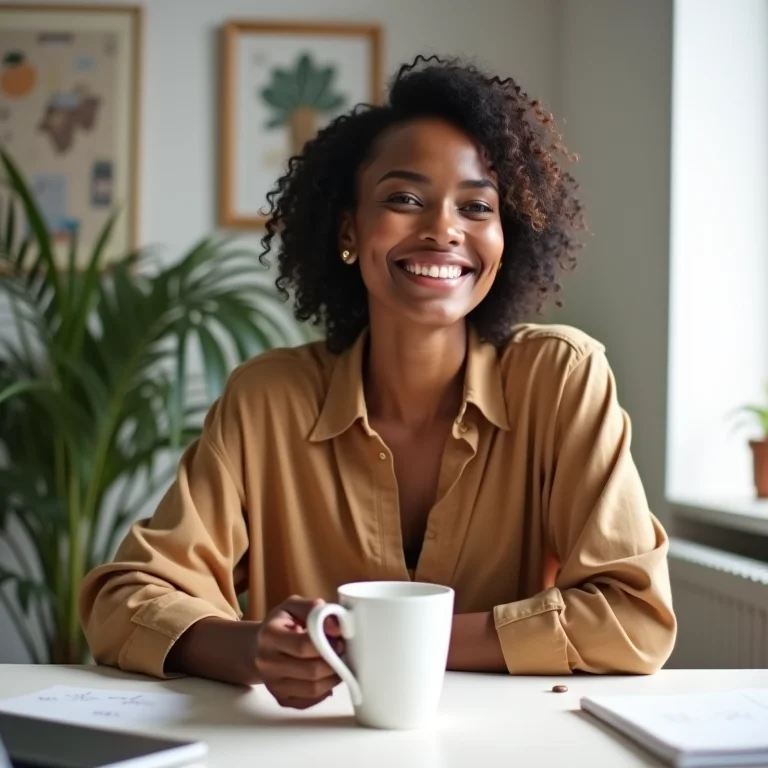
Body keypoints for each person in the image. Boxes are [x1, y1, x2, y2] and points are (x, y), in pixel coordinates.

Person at [79, 55, 677, 711]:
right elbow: (124, 597)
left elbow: (632, 617)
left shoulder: (560, 378)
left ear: (507, 239)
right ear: (348, 229)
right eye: (404, 199)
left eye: (476, 206)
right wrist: (253, 649)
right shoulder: (268, 400)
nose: (444, 229)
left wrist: (377, 643)